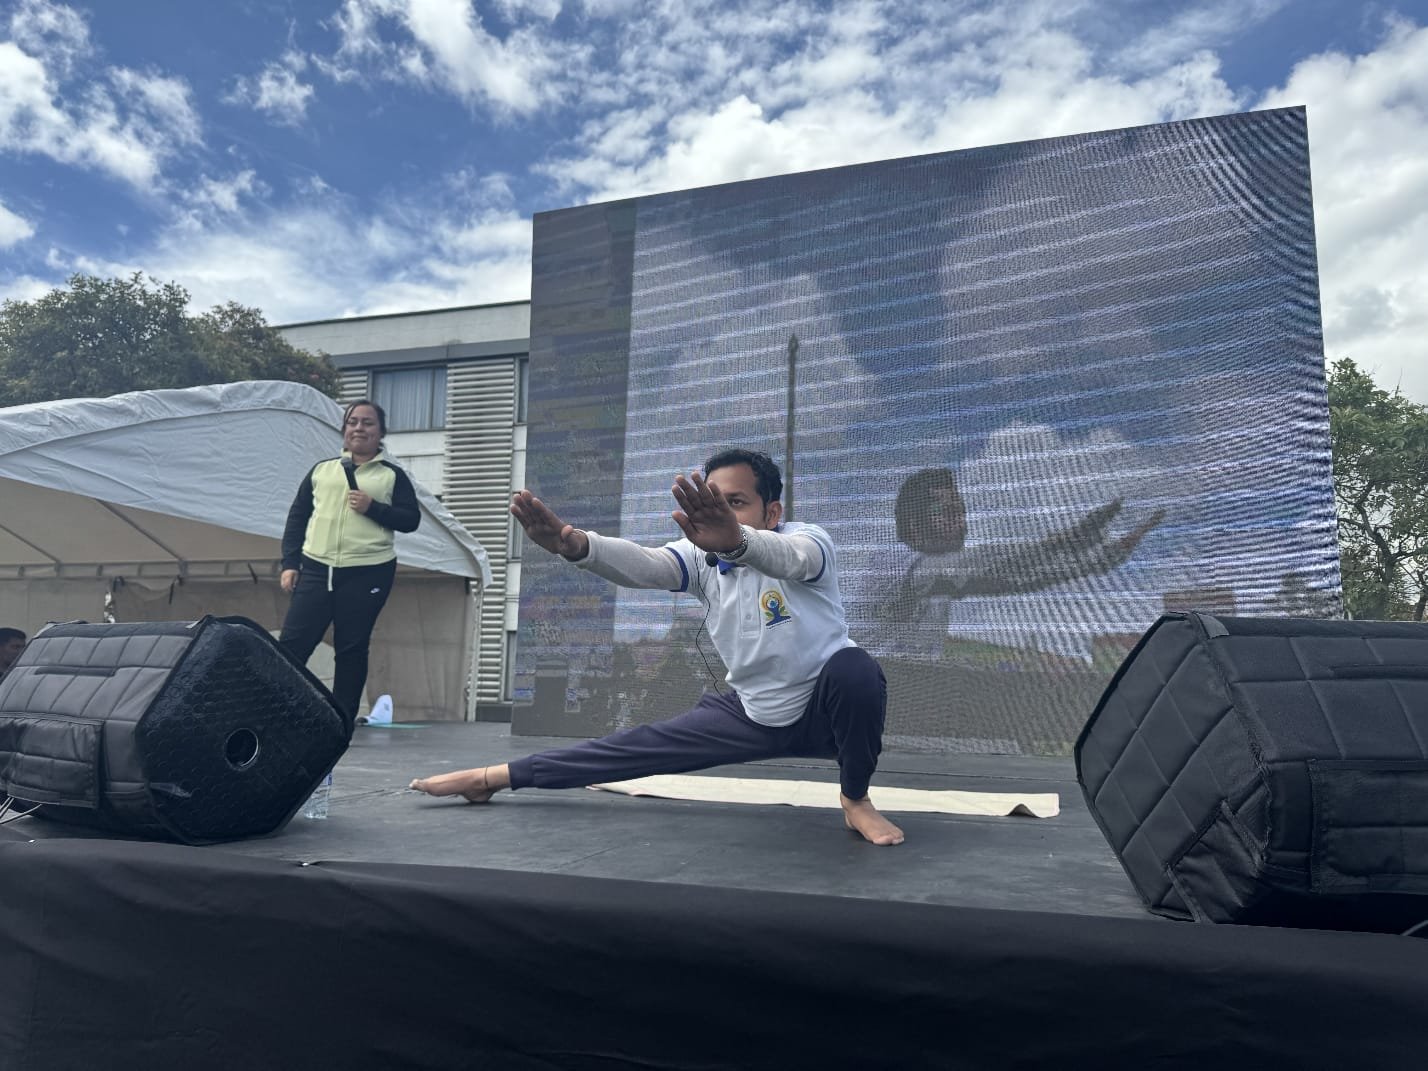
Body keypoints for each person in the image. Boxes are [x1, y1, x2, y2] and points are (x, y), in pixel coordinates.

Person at [411, 448, 905, 846]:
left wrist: (735, 541)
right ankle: (491, 778)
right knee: (624, 752)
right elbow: (645, 564)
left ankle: (855, 799)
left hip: (827, 711)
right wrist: (575, 545)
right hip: (753, 716)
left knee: (855, 670)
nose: (714, 516)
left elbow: (791, 558)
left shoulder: (807, 541)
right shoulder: (701, 558)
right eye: (706, 505)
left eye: (733, 503)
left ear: (771, 511)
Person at [869, 466, 1164, 659]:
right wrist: (1066, 541)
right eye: (946, 512)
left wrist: (1094, 561)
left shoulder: (939, 583)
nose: (960, 522)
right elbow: (984, 565)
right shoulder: (893, 563)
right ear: (913, 525)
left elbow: (1009, 579)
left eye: (961, 511)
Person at [279, 399, 420, 722]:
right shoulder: (321, 471)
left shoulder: (392, 476)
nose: (359, 428)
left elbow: (410, 520)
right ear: (344, 430)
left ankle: (340, 720)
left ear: (380, 432)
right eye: (353, 421)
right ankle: (277, 712)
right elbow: (297, 518)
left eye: (368, 423)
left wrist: (373, 507)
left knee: (351, 648)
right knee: (292, 645)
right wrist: (289, 563)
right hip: (316, 568)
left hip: (369, 572)